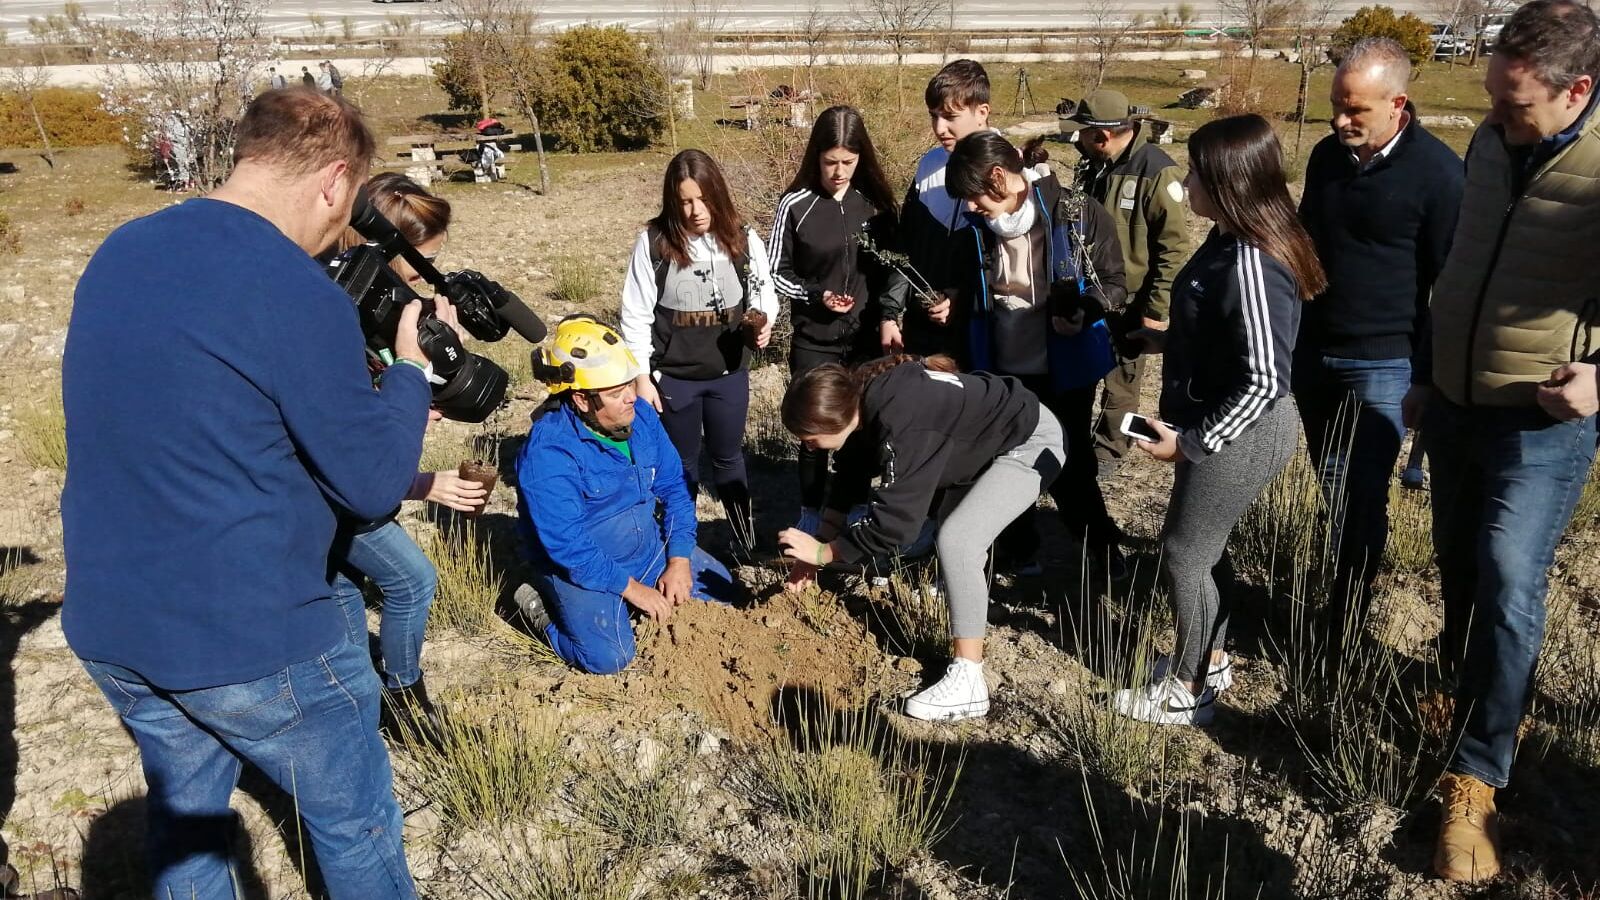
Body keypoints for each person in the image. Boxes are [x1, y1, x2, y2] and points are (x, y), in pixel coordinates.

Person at [62, 89, 427, 898]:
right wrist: (408, 373)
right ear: (335, 181)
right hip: (251, 635)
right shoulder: (295, 289)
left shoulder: (123, 248)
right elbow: (371, 487)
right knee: (355, 826)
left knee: (188, 840)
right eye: (347, 209)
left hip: (114, 623)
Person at [1414, 0, 1600, 881]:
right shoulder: (1491, 143)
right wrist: (1428, 370)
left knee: (1508, 575)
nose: (1492, 115)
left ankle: (1478, 778)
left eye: (1513, 103)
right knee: (1459, 566)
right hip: (1455, 401)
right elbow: (1460, 264)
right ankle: (1474, 697)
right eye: (1492, 95)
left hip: (1541, 421)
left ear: (1578, 91)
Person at [1112, 114, 1325, 727]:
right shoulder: (1227, 239)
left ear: (1230, 181)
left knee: (1184, 553)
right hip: (1219, 423)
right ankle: (1213, 657)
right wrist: (1167, 341)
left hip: (1241, 433)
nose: (1185, 183)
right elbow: (1229, 337)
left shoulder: (1253, 259)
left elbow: (1263, 381)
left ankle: (1190, 686)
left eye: (1196, 173)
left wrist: (1192, 444)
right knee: (1205, 548)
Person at [777, 356, 1065, 722]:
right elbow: (851, 473)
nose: (810, 448)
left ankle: (969, 682)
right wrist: (819, 544)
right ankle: (969, 614)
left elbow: (896, 525)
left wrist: (825, 552)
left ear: (831, 419)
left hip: (1029, 440)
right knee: (953, 534)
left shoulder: (903, 420)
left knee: (959, 540)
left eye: (810, 439)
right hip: (984, 442)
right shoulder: (863, 399)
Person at [1295, 38, 1464, 656]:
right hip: (1314, 352)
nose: (1341, 120)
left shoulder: (1440, 175)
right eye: (1336, 106)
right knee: (1333, 486)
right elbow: (1305, 242)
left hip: (1384, 362)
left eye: (1356, 109)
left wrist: (1426, 374)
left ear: (1398, 103)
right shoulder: (1326, 157)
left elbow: (1449, 283)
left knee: (1360, 491)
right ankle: (1342, 598)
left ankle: (1343, 625)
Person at [328, 172, 490, 739]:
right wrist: (420, 483)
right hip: (342, 487)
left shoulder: (362, 305)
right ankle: (403, 700)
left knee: (343, 586)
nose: (426, 277)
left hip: (339, 485)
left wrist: (413, 388)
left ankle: (355, 694)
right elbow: (348, 447)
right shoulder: (340, 317)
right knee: (412, 581)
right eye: (422, 262)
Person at [943, 131, 1128, 578]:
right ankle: (1020, 551)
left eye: (972, 196)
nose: (969, 206)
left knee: (1070, 462)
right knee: (1004, 458)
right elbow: (967, 287)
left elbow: (1114, 283)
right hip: (1001, 368)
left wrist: (1085, 310)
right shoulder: (973, 231)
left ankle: (1103, 552)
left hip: (1063, 369)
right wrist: (951, 302)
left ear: (998, 177)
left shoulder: (1076, 213)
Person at [514, 316, 741, 674]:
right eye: (616, 392)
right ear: (582, 399)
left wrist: (679, 559)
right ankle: (539, 608)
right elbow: (569, 546)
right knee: (610, 657)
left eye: (629, 384)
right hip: (582, 568)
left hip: (647, 549)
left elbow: (676, 488)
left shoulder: (642, 418)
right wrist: (633, 589)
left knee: (725, 593)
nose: (632, 396)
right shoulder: (548, 455)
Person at [620, 149, 778, 554]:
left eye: (703, 199)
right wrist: (641, 377)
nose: (695, 211)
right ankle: (680, 546)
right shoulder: (654, 244)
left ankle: (744, 539)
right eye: (685, 201)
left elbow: (763, 291)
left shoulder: (743, 238)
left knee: (728, 458)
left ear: (718, 193)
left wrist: (764, 322)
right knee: (681, 465)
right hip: (675, 379)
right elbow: (635, 315)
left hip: (729, 375)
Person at [769, 105, 904, 536]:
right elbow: (776, 271)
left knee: (859, 429)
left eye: (848, 161)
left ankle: (855, 505)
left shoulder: (878, 206)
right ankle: (811, 508)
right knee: (813, 429)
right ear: (816, 157)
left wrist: (889, 316)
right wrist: (817, 295)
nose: (839, 172)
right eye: (831, 162)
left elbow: (896, 268)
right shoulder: (796, 205)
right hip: (814, 338)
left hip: (864, 339)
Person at [1060, 89, 1191, 478]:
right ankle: (1074, 447)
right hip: (1091, 293)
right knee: (1082, 373)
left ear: (1102, 135)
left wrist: (1156, 311)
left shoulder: (1157, 172)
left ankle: (1108, 452)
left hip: (1132, 301)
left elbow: (1173, 249)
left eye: (1084, 133)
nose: (1079, 139)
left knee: (1121, 383)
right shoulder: (1092, 165)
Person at [880, 59, 993, 365]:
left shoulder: (1007, 169)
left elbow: (1010, 268)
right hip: (921, 329)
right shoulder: (928, 165)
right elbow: (905, 246)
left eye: (950, 117)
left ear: (982, 112)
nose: (939, 128)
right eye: (934, 116)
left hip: (979, 332)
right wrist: (890, 314)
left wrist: (961, 297)